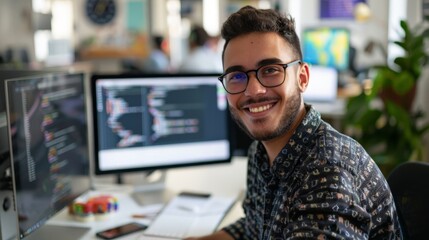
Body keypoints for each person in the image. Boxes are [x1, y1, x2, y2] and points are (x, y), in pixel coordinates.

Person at [186, 6, 402, 240]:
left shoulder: (328, 172)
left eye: (270, 70)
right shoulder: (260, 152)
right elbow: (254, 228)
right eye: (237, 76)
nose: (254, 90)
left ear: (302, 78)